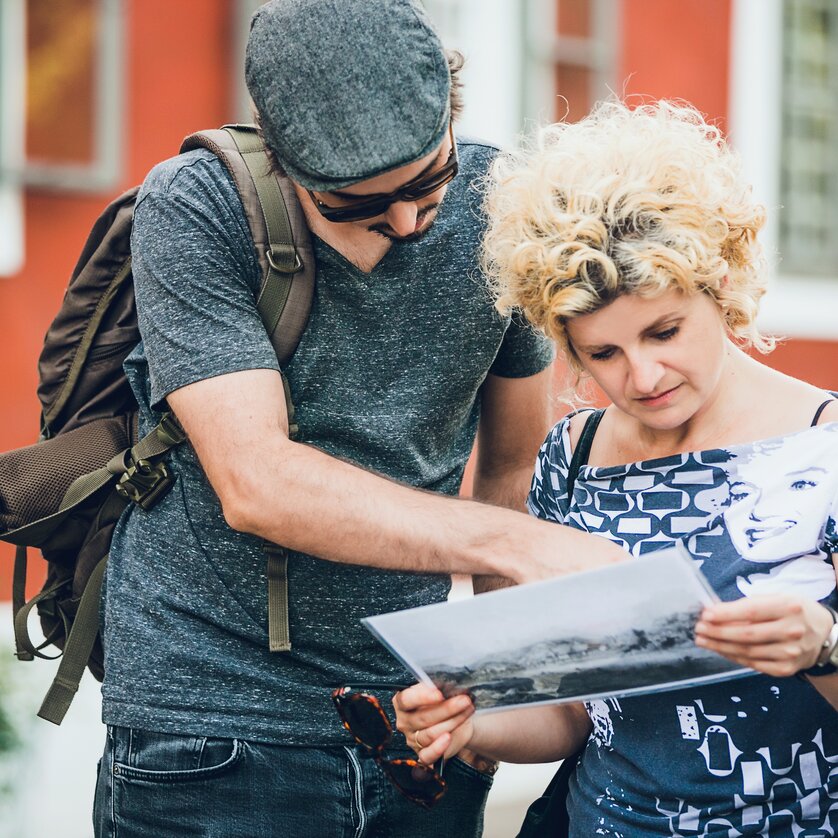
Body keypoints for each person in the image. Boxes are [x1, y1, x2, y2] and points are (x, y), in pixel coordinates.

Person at [91, 2, 625, 837]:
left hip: (421, 721)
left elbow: (510, 466)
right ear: (285, 164)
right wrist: (517, 546)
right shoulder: (197, 207)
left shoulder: (500, 202)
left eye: (426, 184)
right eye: (357, 205)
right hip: (213, 725)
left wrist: (493, 688)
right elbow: (256, 483)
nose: (410, 223)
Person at [395, 99, 838, 836]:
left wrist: (823, 646)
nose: (643, 375)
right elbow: (574, 714)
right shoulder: (569, 460)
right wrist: (472, 722)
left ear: (721, 284)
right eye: (603, 352)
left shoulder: (825, 448)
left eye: (664, 331)